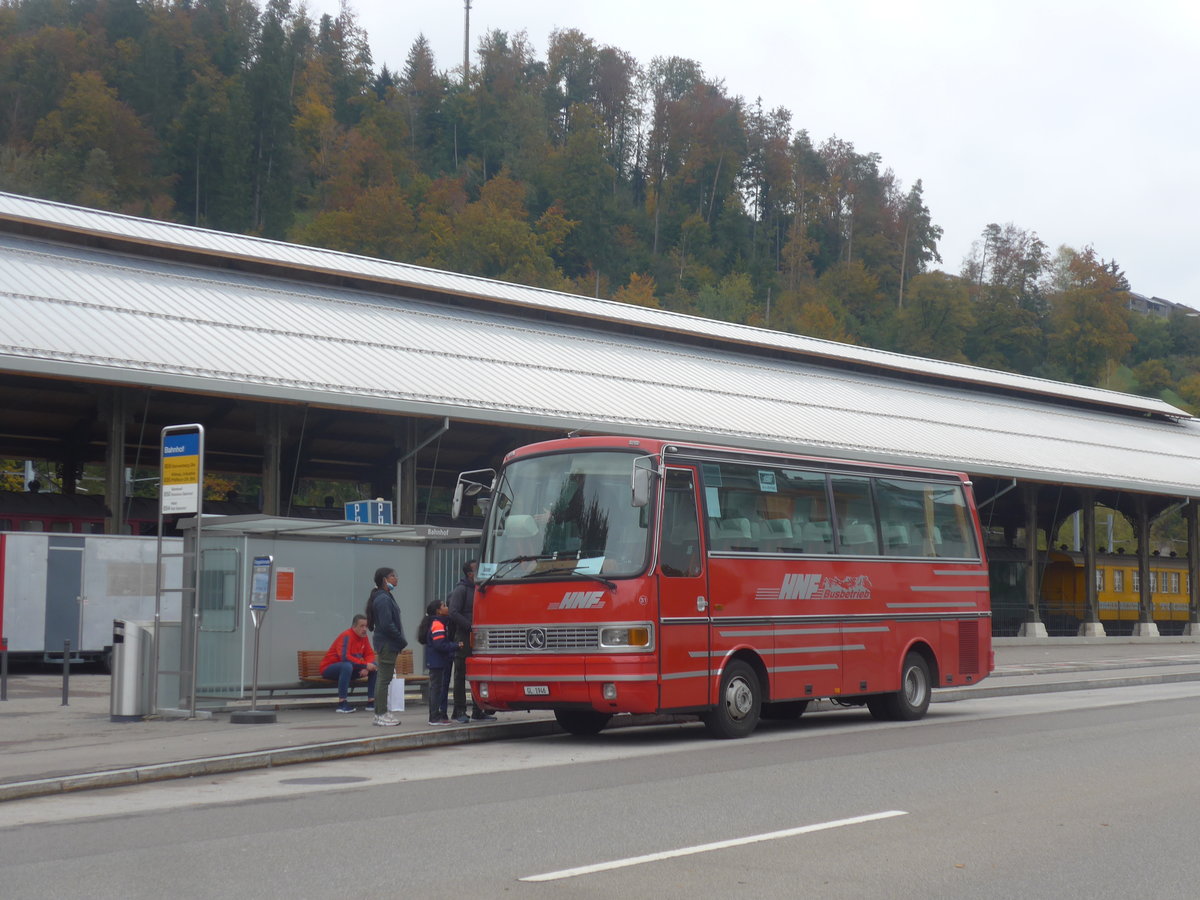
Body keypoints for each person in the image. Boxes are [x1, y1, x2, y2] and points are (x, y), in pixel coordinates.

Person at [448, 559, 496, 723]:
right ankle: (459, 710)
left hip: (480, 637)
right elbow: (453, 612)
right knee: (461, 674)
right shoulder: (461, 590)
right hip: (465, 636)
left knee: (480, 673)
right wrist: (470, 626)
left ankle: (478, 710)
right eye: (477, 569)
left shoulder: (481, 588)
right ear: (469, 574)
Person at [365, 566, 407, 727]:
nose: (395, 578)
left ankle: (381, 712)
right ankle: (380, 714)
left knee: (384, 678)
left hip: (388, 643)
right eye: (392, 576)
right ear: (384, 580)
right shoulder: (383, 599)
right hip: (388, 644)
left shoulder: (385, 596)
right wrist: (401, 640)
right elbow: (387, 625)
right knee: (384, 679)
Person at [320, 614, 378, 713]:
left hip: (349, 669)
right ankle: (342, 704)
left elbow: (369, 654)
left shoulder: (364, 637)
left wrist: (367, 667)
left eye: (366, 626)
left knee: (374, 667)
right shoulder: (347, 636)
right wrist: (364, 665)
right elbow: (345, 657)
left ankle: (371, 702)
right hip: (330, 668)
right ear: (354, 626)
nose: (364, 629)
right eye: (361, 626)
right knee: (347, 666)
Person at [423, 598, 461, 725]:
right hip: (437, 661)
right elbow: (440, 644)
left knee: (437, 688)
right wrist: (455, 646)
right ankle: (434, 717)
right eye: (444, 606)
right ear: (438, 611)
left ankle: (436, 715)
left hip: (437, 661)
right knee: (436, 689)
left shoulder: (440, 623)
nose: (447, 607)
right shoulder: (438, 624)